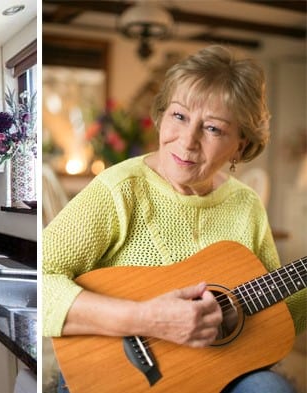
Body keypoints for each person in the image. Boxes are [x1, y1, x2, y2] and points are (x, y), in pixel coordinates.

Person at [42, 45, 306, 392]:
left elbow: (279, 316)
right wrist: (147, 319)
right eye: (179, 117)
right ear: (163, 114)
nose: (188, 140)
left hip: (212, 370)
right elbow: (40, 279)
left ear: (240, 145)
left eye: (212, 128)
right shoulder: (119, 188)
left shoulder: (246, 205)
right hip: (120, 375)